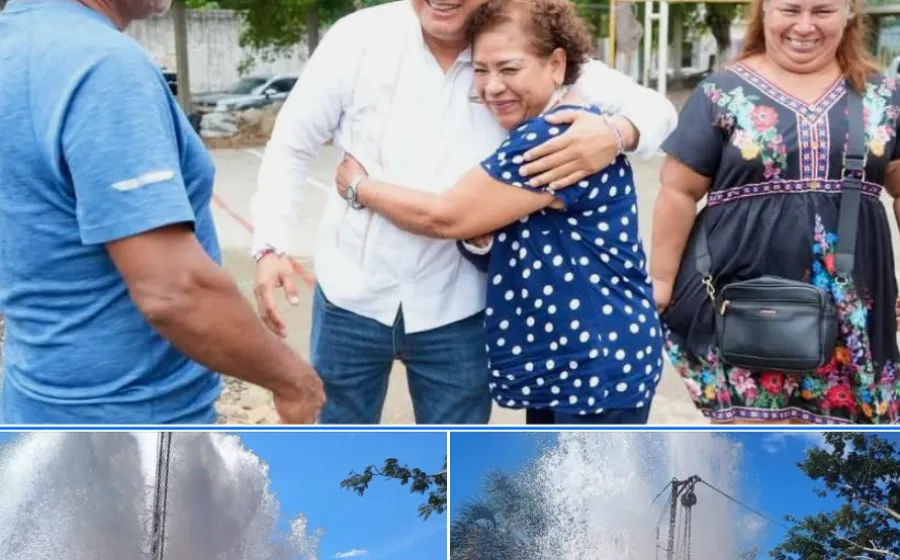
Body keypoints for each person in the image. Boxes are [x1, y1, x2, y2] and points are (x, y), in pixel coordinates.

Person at [252, 0, 677, 425]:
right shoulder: (359, 38)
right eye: (482, 71)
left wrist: (616, 132)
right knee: (339, 447)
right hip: (353, 296)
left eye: (506, 70)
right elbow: (292, 143)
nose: (494, 85)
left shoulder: (521, 39)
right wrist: (270, 245)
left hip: (458, 310)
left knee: (453, 457)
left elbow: (657, 111)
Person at [0, 0, 324, 424]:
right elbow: (174, 292)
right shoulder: (104, 67)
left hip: (33, 407)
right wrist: (294, 381)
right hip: (135, 426)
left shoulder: (13, 40)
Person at [650, 0, 900, 424]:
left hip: (854, 312)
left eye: (822, 11)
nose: (804, 26)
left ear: (849, 13)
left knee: (842, 452)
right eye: (790, 9)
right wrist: (660, 282)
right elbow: (678, 191)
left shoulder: (882, 96)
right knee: (753, 445)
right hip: (744, 306)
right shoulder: (720, 93)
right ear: (764, 11)